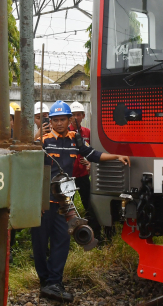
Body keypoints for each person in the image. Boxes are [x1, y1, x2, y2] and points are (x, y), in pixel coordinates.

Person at [32, 100, 130, 303]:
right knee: (40, 243)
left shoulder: (75, 140)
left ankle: (55, 282)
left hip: (63, 203)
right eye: (55, 120)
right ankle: (45, 282)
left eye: (63, 119)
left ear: (70, 120)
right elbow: (27, 164)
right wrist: (35, 139)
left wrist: (116, 156)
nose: (59, 123)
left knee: (62, 241)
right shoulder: (43, 140)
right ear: (50, 121)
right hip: (41, 201)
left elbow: (92, 154)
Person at [68, 101, 102, 240]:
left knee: (90, 204)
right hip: (68, 177)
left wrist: (89, 163)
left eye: (78, 115)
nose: (76, 117)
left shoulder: (88, 133)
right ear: (70, 117)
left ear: (83, 116)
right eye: (73, 115)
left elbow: (94, 151)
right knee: (66, 207)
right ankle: (66, 236)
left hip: (82, 176)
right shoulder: (66, 133)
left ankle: (95, 235)